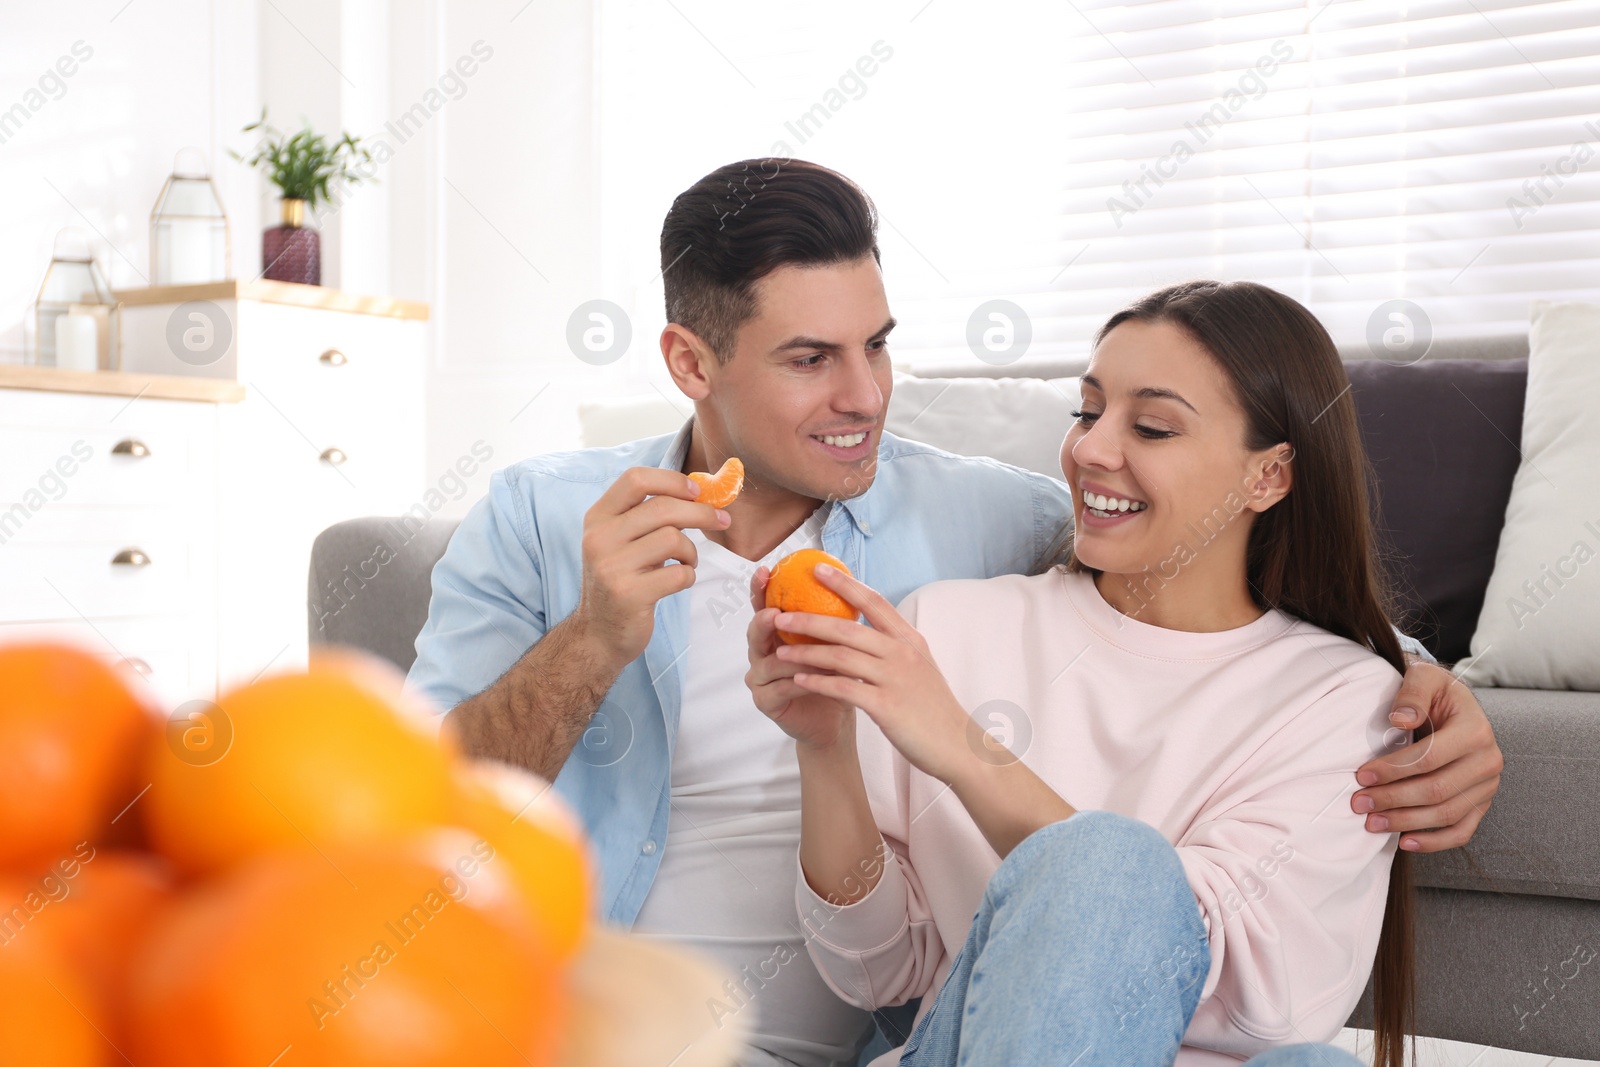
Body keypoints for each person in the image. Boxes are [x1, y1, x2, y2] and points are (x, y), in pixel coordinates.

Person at [405, 160, 1503, 1066]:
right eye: (811, 359)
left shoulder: (977, 518)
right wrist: (592, 639)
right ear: (691, 363)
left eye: (876, 344)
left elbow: (1202, 583)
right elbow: (413, 816)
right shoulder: (544, 516)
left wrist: (1425, 687)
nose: (867, 394)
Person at [746, 279, 1432, 1065]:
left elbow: (1257, 1003)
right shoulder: (946, 628)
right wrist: (825, 745)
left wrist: (965, 749)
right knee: (1111, 860)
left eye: (1151, 426)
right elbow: (879, 970)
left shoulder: (1342, 697)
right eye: (1087, 411)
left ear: (1269, 476)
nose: (1093, 449)